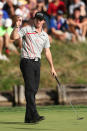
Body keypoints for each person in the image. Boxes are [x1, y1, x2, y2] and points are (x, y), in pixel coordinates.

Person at [10, 12, 57, 123]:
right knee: (30, 89)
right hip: (26, 61)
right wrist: (17, 26)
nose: (38, 21)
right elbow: (14, 37)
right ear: (34, 19)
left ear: (44, 21)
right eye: (36, 19)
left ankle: (28, 118)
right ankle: (34, 114)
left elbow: (47, 51)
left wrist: (52, 67)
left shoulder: (45, 35)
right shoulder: (27, 29)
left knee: (33, 90)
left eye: (40, 19)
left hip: (37, 63)